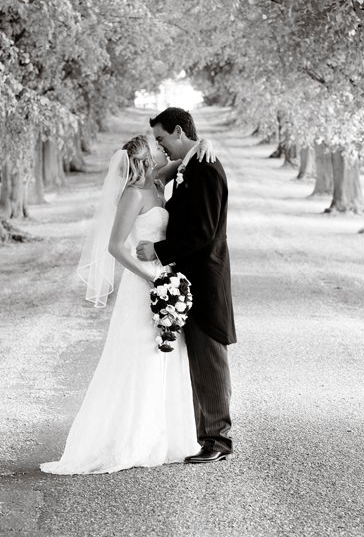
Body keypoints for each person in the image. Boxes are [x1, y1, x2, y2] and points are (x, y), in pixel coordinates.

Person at [40, 133, 213, 475]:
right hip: (143, 284)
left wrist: (204, 142)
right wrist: (150, 278)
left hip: (165, 276)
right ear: (147, 160)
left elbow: (185, 154)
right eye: (157, 148)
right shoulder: (134, 195)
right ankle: (131, 438)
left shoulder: (158, 183)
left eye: (163, 145)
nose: (163, 150)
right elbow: (116, 247)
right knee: (141, 355)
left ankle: (165, 437)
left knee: (167, 353)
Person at [137, 107, 236, 464]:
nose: (161, 148)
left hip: (205, 278)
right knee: (199, 358)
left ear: (179, 131)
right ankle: (208, 435)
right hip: (190, 277)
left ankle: (217, 440)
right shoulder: (192, 163)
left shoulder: (205, 168)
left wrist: (158, 249)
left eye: (163, 140)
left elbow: (203, 231)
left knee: (210, 357)